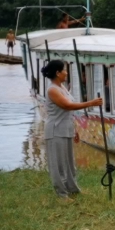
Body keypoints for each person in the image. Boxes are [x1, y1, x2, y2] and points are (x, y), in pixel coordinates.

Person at [41, 60, 103, 199]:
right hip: (55, 130)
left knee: (69, 162)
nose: (66, 73)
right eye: (64, 70)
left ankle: (73, 189)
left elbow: (68, 113)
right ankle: (62, 194)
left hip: (66, 128)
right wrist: (91, 103)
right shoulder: (52, 90)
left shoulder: (62, 87)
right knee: (59, 164)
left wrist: (74, 129)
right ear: (57, 73)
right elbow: (68, 106)